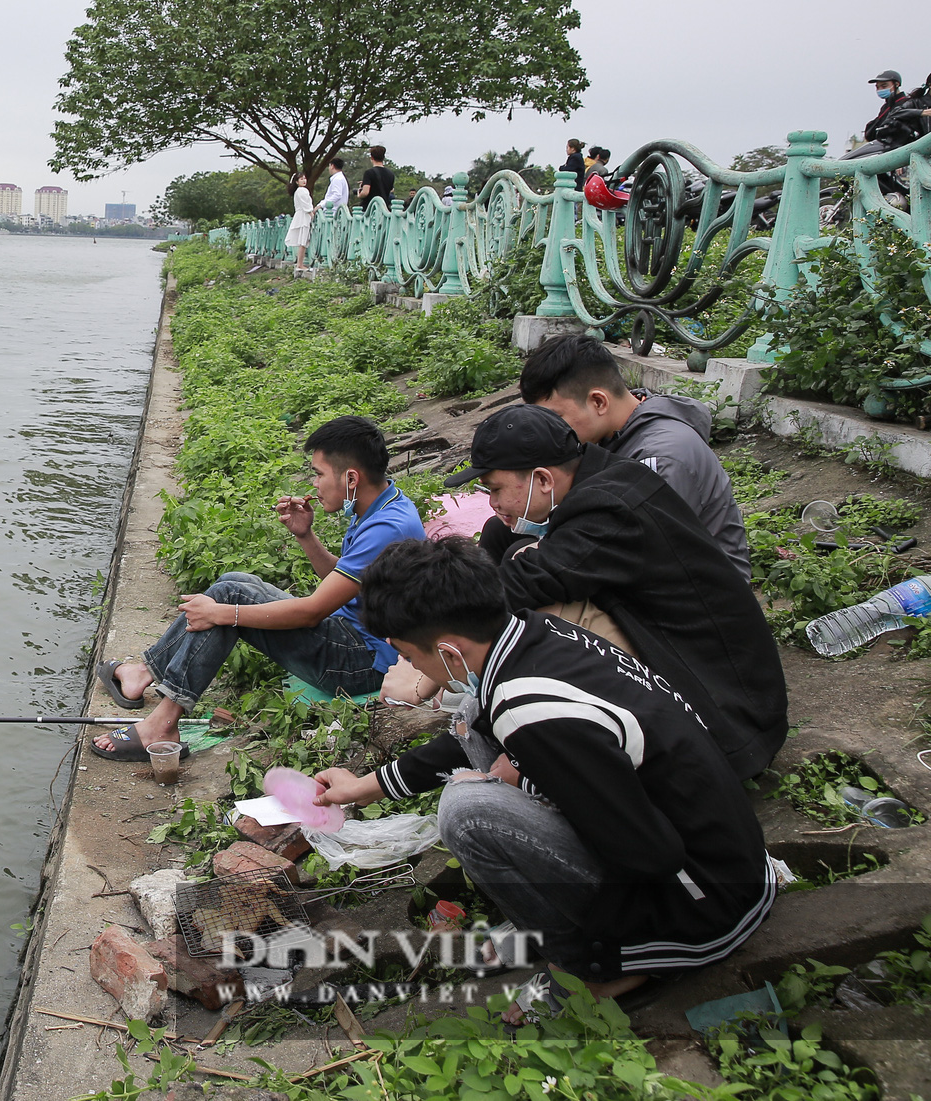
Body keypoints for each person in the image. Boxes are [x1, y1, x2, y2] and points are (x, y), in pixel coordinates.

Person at [311, 537, 774, 1004]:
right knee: (472, 724)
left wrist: (510, 780)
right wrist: (366, 787)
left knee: (468, 810)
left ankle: (592, 965)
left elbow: (648, 853)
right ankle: (578, 935)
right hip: (726, 852)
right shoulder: (533, 635)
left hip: (704, 904)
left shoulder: (529, 711)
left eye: (410, 656)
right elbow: (469, 733)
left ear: (450, 652)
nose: (407, 667)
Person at [443, 405, 786, 780]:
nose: (492, 503)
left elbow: (518, 586)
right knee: (509, 548)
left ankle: (533, 746)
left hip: (726, 724)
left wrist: (434, 652)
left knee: (541, 619)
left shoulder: (608, 510)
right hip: (723, 688)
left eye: (495, 489)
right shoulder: (609, 479)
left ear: (543, 479)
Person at [91, 415, 426, 760]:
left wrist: (223, 613)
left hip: (364, 664)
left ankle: (160, 723)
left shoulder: (387, 527)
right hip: (354, 638)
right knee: (235, 583)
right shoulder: (380, 504)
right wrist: (305, 535)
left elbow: (313, 611)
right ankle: (144, 673)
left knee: (228, 600)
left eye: (319, 473)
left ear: (351, 478)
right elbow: (344, 582)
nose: (314, 484)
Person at [518, 334, 749, 578]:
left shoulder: (661, 457)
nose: (549, 430)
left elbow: (636, 553)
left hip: (699, 599)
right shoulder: (613, 433)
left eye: (555, 418)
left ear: (598, 402)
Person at [286, 174, 315, 268]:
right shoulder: (302, 190)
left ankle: (300, 263)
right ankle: (300, 264)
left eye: (305, 178)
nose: (304, 180)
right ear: (297, 181)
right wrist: (311, 212)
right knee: (303, 241)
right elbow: (305, 204)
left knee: (303, 242)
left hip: (300, 215)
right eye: (301, 179)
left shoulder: (298, 191)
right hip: (303, 216)